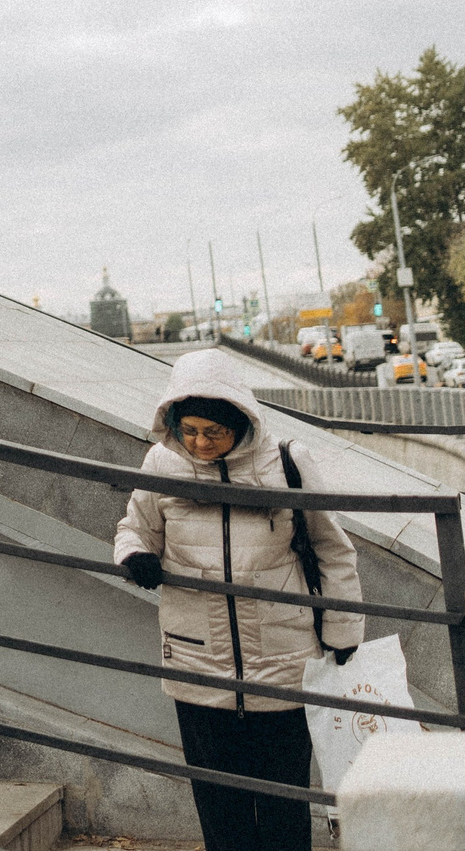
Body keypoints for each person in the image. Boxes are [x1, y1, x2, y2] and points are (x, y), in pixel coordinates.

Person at [113, 348, 361, 851]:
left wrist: (342, 631)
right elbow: (135, 528)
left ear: (241, 420)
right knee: (220, 811)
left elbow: (332, 550)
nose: (200, 443)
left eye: (214, 431)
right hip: (198, 667)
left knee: (284, 808)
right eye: (189, 430)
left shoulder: (288, 463)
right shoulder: (161, 462)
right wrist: (134, 554)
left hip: (283, 666)